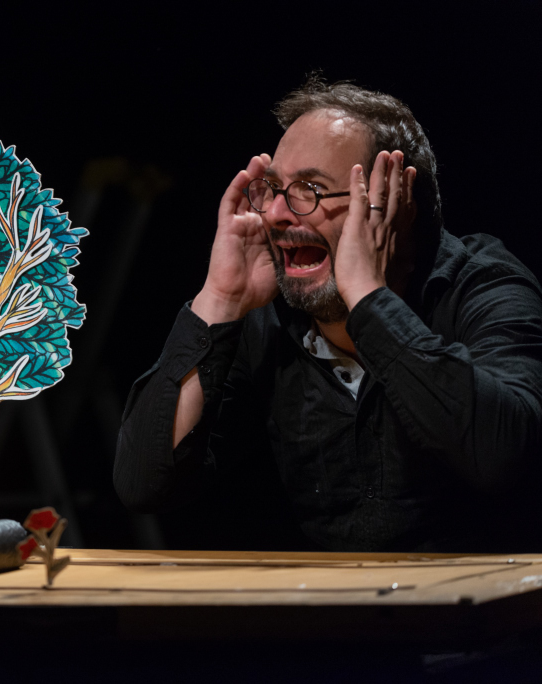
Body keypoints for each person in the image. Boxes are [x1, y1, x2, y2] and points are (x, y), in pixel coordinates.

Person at [115, 78, 542, 552]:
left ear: (394, 204)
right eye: (273, 189)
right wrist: (219, 297)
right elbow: (145, 484)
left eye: (311, 189)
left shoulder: (484, 287)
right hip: (331, 600)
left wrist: (367, 296)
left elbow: (502, 456)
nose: (275, 214)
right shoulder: (267, 319)